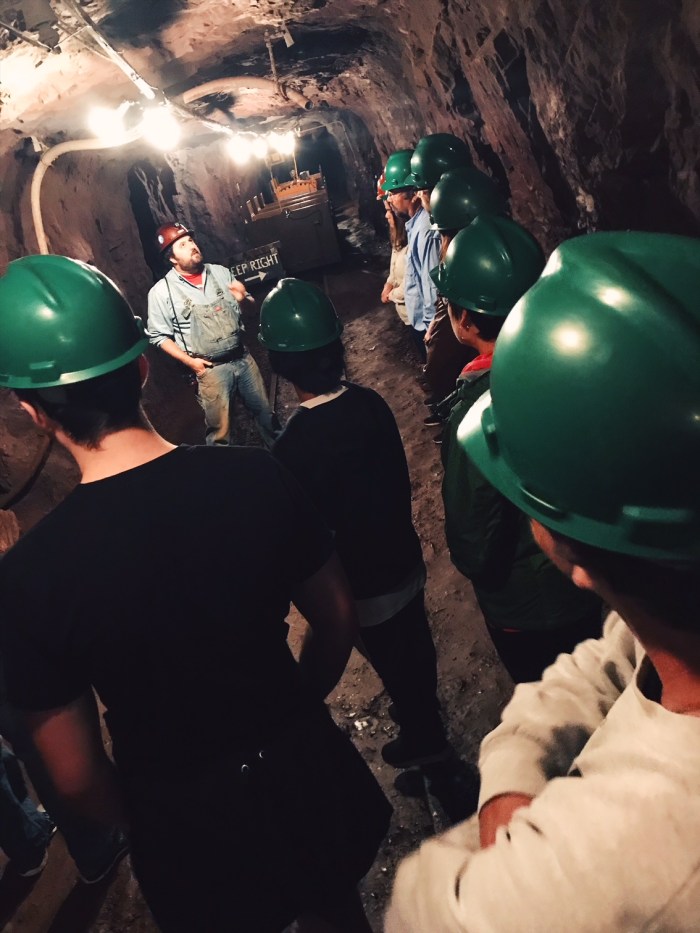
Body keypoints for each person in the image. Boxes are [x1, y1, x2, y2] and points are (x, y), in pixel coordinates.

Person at [0, 255, 390, 933]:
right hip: (301, 770)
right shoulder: (255, 477)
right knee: (336, 911)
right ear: (141, 369)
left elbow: (74, 775)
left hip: (183, 821)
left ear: (32, 410)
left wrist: (158, 811)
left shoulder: (30, 577)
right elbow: (336, 618)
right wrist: (294, 709)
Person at [386, 230, 700, 931]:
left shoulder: (592, 868)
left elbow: (424, 907)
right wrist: (515, 757)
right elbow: (617, 648)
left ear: (573, 554)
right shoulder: (664, 618)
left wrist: (508, 807)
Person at [260, 278, 448, 771]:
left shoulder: (291, 449)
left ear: (279, 362)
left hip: (362, 590)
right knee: (416, 649)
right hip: (404, 562)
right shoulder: (370, 403)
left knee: (393, 663)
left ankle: (429, 746)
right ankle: (424, 720)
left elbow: (307, 542)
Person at [434, 216, 603, 683]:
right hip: (591, 582)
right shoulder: (574, 365)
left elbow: (473, 546)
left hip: (529, 607)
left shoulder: (476, 413)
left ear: (465, 319)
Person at [146, 221, 280, 447]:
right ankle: (225, 469)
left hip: (243, 359)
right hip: (210, 371)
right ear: (172, 258)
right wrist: (191, 363)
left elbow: (250, 307)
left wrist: (243, 300)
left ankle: (283, 459)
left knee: (267, 418)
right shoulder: (161, 292)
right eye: (182, 245)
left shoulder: (220, 273)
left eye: (191, 240)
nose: (192, 246)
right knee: (220, 436)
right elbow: (159, 337)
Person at [383, 150, 440, 363]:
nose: (389, 198)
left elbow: (431, 283)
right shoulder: (414, 226)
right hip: (420, 322)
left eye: (393, 192)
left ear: (413, 193)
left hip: (429, 326)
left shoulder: (424, 230)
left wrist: (432, 328)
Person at [380, 204, 409, 326]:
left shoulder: (411, 245)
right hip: (405, 315)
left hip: (416, 315)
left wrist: (390, 295)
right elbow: (393, 268)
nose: (386, 216)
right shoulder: (397, 240)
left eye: (389, 211)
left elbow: (410, 284)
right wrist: (388, 284)